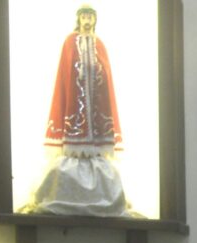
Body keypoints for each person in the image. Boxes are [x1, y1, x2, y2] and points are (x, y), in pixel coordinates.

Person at [22, 5, 131, 216]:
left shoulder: (100, 44)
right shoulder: (70, 42)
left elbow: (106, 79)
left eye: (91, 16)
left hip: (96, 106)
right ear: (79, 19)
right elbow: (65, 74)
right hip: (76, 102)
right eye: (84, 16)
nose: (87, 20)